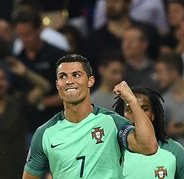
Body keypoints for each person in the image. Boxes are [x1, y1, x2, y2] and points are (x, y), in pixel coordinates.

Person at [22, 54, 158, 178]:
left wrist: (132, 101)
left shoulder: (112, 122)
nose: (69, 81)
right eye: (63, 76)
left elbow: (149, 146)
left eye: (76, 75)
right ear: (58, 85)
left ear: (90, 81)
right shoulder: (45, 133)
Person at [114, 87, 184, 179]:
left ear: (153, 114)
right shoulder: (112, 150)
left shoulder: (175, 151)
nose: (136, 115)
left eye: (144, 109)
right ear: (121, 115)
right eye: (129, 110)